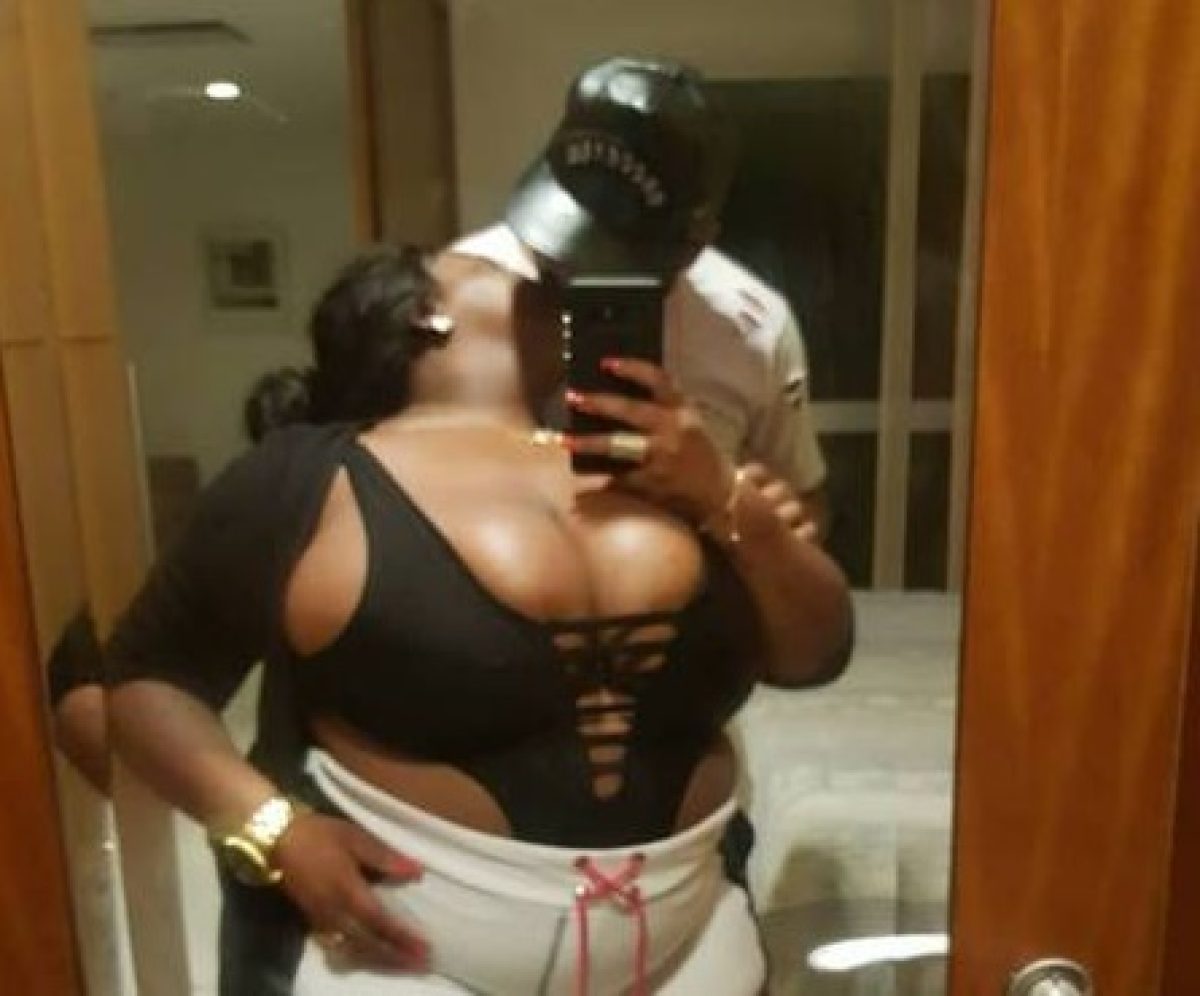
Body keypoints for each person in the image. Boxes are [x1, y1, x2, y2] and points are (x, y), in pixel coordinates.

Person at [105, 241, 852, 994]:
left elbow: (816, 655)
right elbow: (146, 678)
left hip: (694, 947)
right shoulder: (307, 476)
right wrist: (272, 829)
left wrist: (730, 500)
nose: (548, 280)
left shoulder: (669, 472)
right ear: (427, 313)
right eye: (514, 272)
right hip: (401, 961)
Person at [451, 56, 831, 888]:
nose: (570, 271)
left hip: (674, 729)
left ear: (697, 235)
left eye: (615, 248)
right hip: (485, 698)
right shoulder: (458, 291)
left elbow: (804, 508)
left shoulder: (752, 328)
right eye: (561, 233)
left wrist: (750, 508)